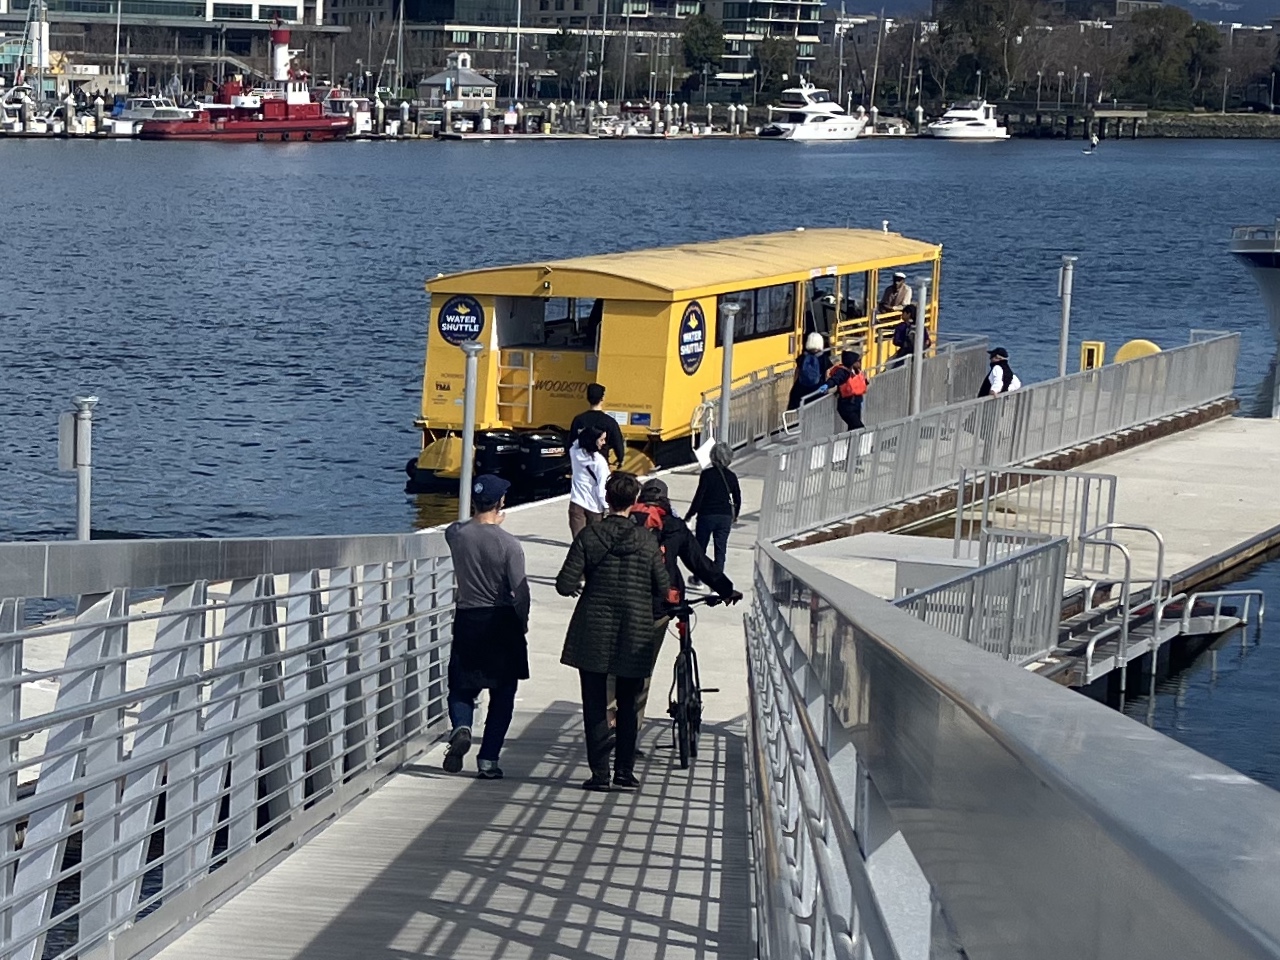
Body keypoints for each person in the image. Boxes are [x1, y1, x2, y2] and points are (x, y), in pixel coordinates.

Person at [557, 472, 671, 792]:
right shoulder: (647, 540)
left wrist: (585, 584)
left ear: (607, 500)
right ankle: (624, 771)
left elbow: (565, 583)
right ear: (634, 501)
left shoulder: (590, 537)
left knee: (595, 703)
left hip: (593, 628)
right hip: (635, 629)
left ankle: (599, 775)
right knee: (628, 701)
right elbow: (663, 587)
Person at [630, 478, 741, 734]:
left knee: (620, 673)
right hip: (662, 605)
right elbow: (699, 563)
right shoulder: (675, 527)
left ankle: (613, 727)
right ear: (666, 500)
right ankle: (630, 733)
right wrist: (725, 589)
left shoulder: (626, 523)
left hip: (626, 604)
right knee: (641, 670)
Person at [442, 474, 530, 781]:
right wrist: (523, 622)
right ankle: (488, 760)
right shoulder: (510, 545)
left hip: (468, 619)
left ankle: (462, 726)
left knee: (461, 686)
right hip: (501, 620)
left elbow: (461, 527)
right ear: (501, 502)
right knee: (503, 693)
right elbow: (520, 592)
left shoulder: (456, 534)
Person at [685, 442, 742, 577]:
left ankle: (698, 577)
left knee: (700, 548)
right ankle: (717, 583)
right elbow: (737, 498)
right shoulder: (732, 476)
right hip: (725, 517)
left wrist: (690, 514)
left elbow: (699, 497)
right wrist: (735, 515)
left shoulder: (707, 474)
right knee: (720, 550)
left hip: (706, 515)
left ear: (713, 456)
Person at [568, 382, 626, 467]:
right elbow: (618, 444)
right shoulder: (609, 421)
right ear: (602, 398)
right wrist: (620, 459)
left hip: (581, 465)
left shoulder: (578, 420)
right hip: (601, 464)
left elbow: (571, 443)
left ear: (587, 398)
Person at [568, 425, 610, 538]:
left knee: (578, 542)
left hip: (577, 503)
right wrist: (607, 506)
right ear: (593, 440)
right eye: (601, 439)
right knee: (593, 542)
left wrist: (585, 434)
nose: (604, 442)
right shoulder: (599, 462)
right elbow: (602, 488)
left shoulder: (574, 453)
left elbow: (576, 442)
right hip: (594, 507)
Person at [821, 350, 867, 431]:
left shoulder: (856, 372)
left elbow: (859, 385)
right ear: (853, 362)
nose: (860, 363)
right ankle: (866, 443)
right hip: (846, 406)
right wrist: (827, 385)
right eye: (858, 361)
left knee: (853, 429)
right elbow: (835, 380)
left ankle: (852, 444)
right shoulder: (842, 372)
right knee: (859, 428)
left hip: (856, 404)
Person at [787, 332, 830, 410]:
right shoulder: (824, 358)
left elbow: (797, 372)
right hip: (817, 389)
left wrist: (795, 385)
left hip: (801, 388)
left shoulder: (802, 357)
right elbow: (826, 374)